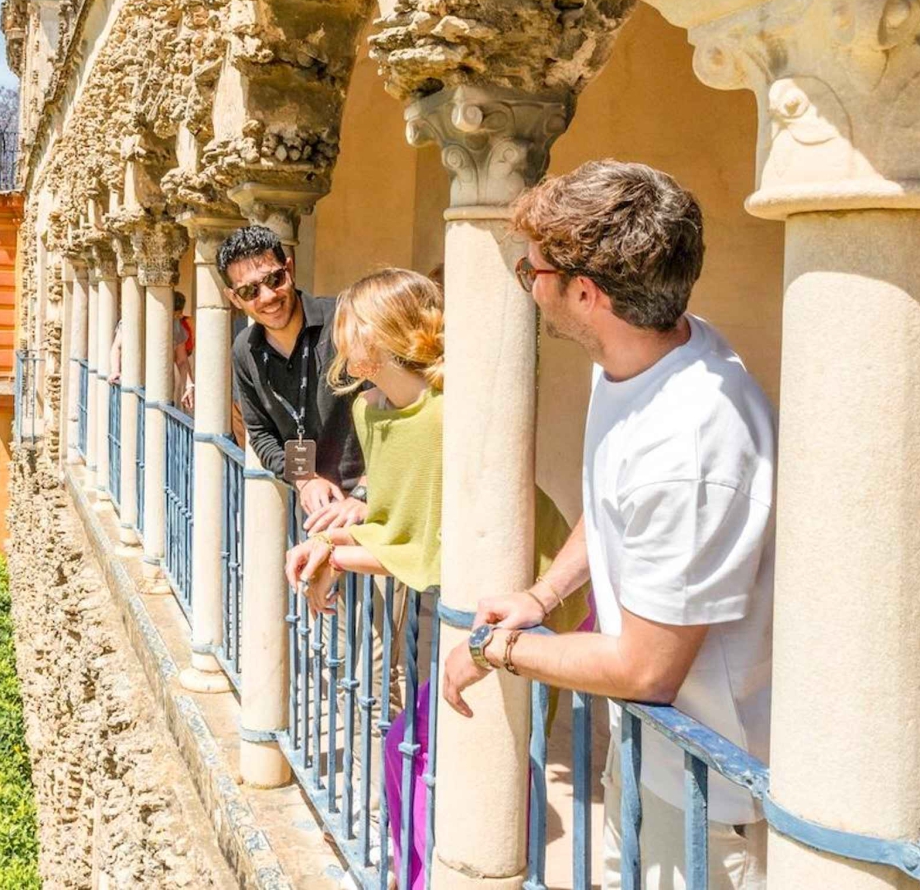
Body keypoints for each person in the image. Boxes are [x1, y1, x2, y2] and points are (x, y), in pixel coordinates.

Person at [440, 160, 775, 890]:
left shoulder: (688, 442)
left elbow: (646, 670)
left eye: (532, 271)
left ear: (586, 293)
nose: (529, 286)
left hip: (708, 789)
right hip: (653, 751)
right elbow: (611, 504)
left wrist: (498, 648)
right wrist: (542, 594)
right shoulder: (642, 353)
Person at [286, 268, 588, 890]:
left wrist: (330, 557)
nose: (339, 338)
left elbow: (424, 551)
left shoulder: (445, 414)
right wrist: (324, 544)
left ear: (383, 334)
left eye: (352, 326)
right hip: (477, 594)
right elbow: (393, 521)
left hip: (531, 589)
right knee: (418, 748)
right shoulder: (370, 409)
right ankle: (418, 873)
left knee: (491, 760)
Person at [217, 225, 366, 529]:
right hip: (316, 511)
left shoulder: (346, 320)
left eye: (274, 279)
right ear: (233, 298)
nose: (267, 296)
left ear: (290, 268)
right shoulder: (244, 351)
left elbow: (397, 412)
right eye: (249, 291)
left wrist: (364, 493)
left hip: (376, 506)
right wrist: (305, 479)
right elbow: (261, 433)